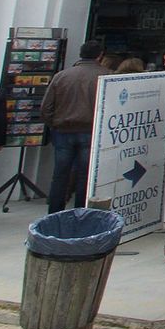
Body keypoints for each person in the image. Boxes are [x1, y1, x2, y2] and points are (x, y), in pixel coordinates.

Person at [40, 39, 106, 213]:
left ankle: (54, 212)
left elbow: (46, 108)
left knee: (60, 174)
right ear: (100, 56)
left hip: (63, 130)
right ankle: (80, 212)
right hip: (90, 131)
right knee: (85, 176)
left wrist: (55, 124)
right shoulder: (106, 76)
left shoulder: (61, 76)